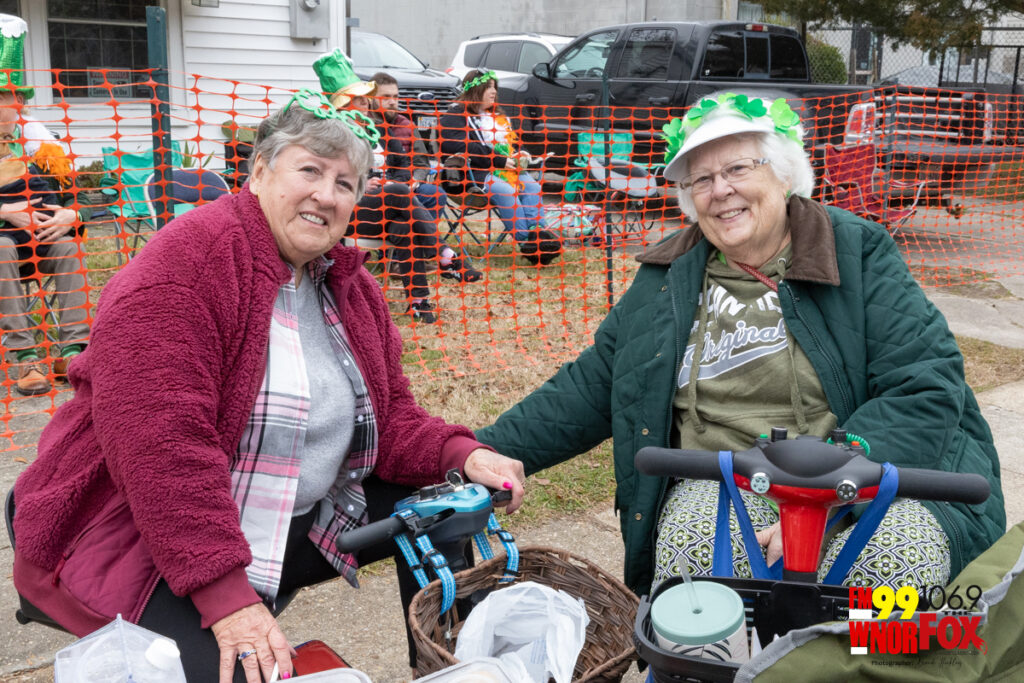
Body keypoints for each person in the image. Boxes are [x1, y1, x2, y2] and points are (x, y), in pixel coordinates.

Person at [11, 89, 526, 683]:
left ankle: (450, 666)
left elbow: (390, 417)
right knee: (244, 669)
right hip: (135, 535)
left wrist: (462, 453)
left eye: (345, 183)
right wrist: (227, 599)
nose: (326, 195)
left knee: (445, 503)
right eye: (309, 170)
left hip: (281, 517)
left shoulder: (346, 283)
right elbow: (161, 449)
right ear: (258, 173)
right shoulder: (184, 271)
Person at [476, 92, 1004, 597]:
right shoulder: (668, 275)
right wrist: (483, 450)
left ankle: (856, 655)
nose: (720, 190)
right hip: (726, 480)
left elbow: (924, 384)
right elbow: (598, 382)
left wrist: (833, 495)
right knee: (697, 553)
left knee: (889, 567)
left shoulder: (856, 250)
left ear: (784, 173)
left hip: (862, 477)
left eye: (737, 168)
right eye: (701, 179)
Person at [314, 50, 481, 324]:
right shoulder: (330, 136)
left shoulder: (377, 129)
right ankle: (445, 255)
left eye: (366, 98)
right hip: (347, 210)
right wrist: (362, 183)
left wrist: (395, 181)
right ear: (343, 104)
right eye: (359, 99)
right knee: (399, 193)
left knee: (404, 224)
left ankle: (419, 302)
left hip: (385, 204)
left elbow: (403, 163)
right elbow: (325, 177)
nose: (366, 104)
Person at [0, 13, 88, 395]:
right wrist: (3, 213)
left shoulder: (39, 144)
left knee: (68, 246)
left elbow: (74, 194)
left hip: (39, 242)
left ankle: (74, 351)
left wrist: (73, 213)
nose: (3, 106)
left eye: (5, 97)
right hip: (3, 247)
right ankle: (24, 356)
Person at [439, 69, 562, 265]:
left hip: (505, 170)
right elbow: (460, 146)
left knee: (532, 186)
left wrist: (521, 153)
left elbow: (512, 143)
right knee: (507, 191)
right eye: (488, 87)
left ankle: (540, 236)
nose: (494, 91)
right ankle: (529, 244)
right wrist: (497, 160)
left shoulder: (497, 116)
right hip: (470, 175)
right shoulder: (455, 115)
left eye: (495, 87)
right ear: (475, 90)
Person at [368, 71, 448, 221]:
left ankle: (423, 235)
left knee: (436, 194)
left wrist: (415, 180)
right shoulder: (363, 125)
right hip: (372, 189)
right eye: (386, 97)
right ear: (371, 99)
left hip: (406, 186)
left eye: (396, 97)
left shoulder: (408, 126)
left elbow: (422, 164)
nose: (392, 102)